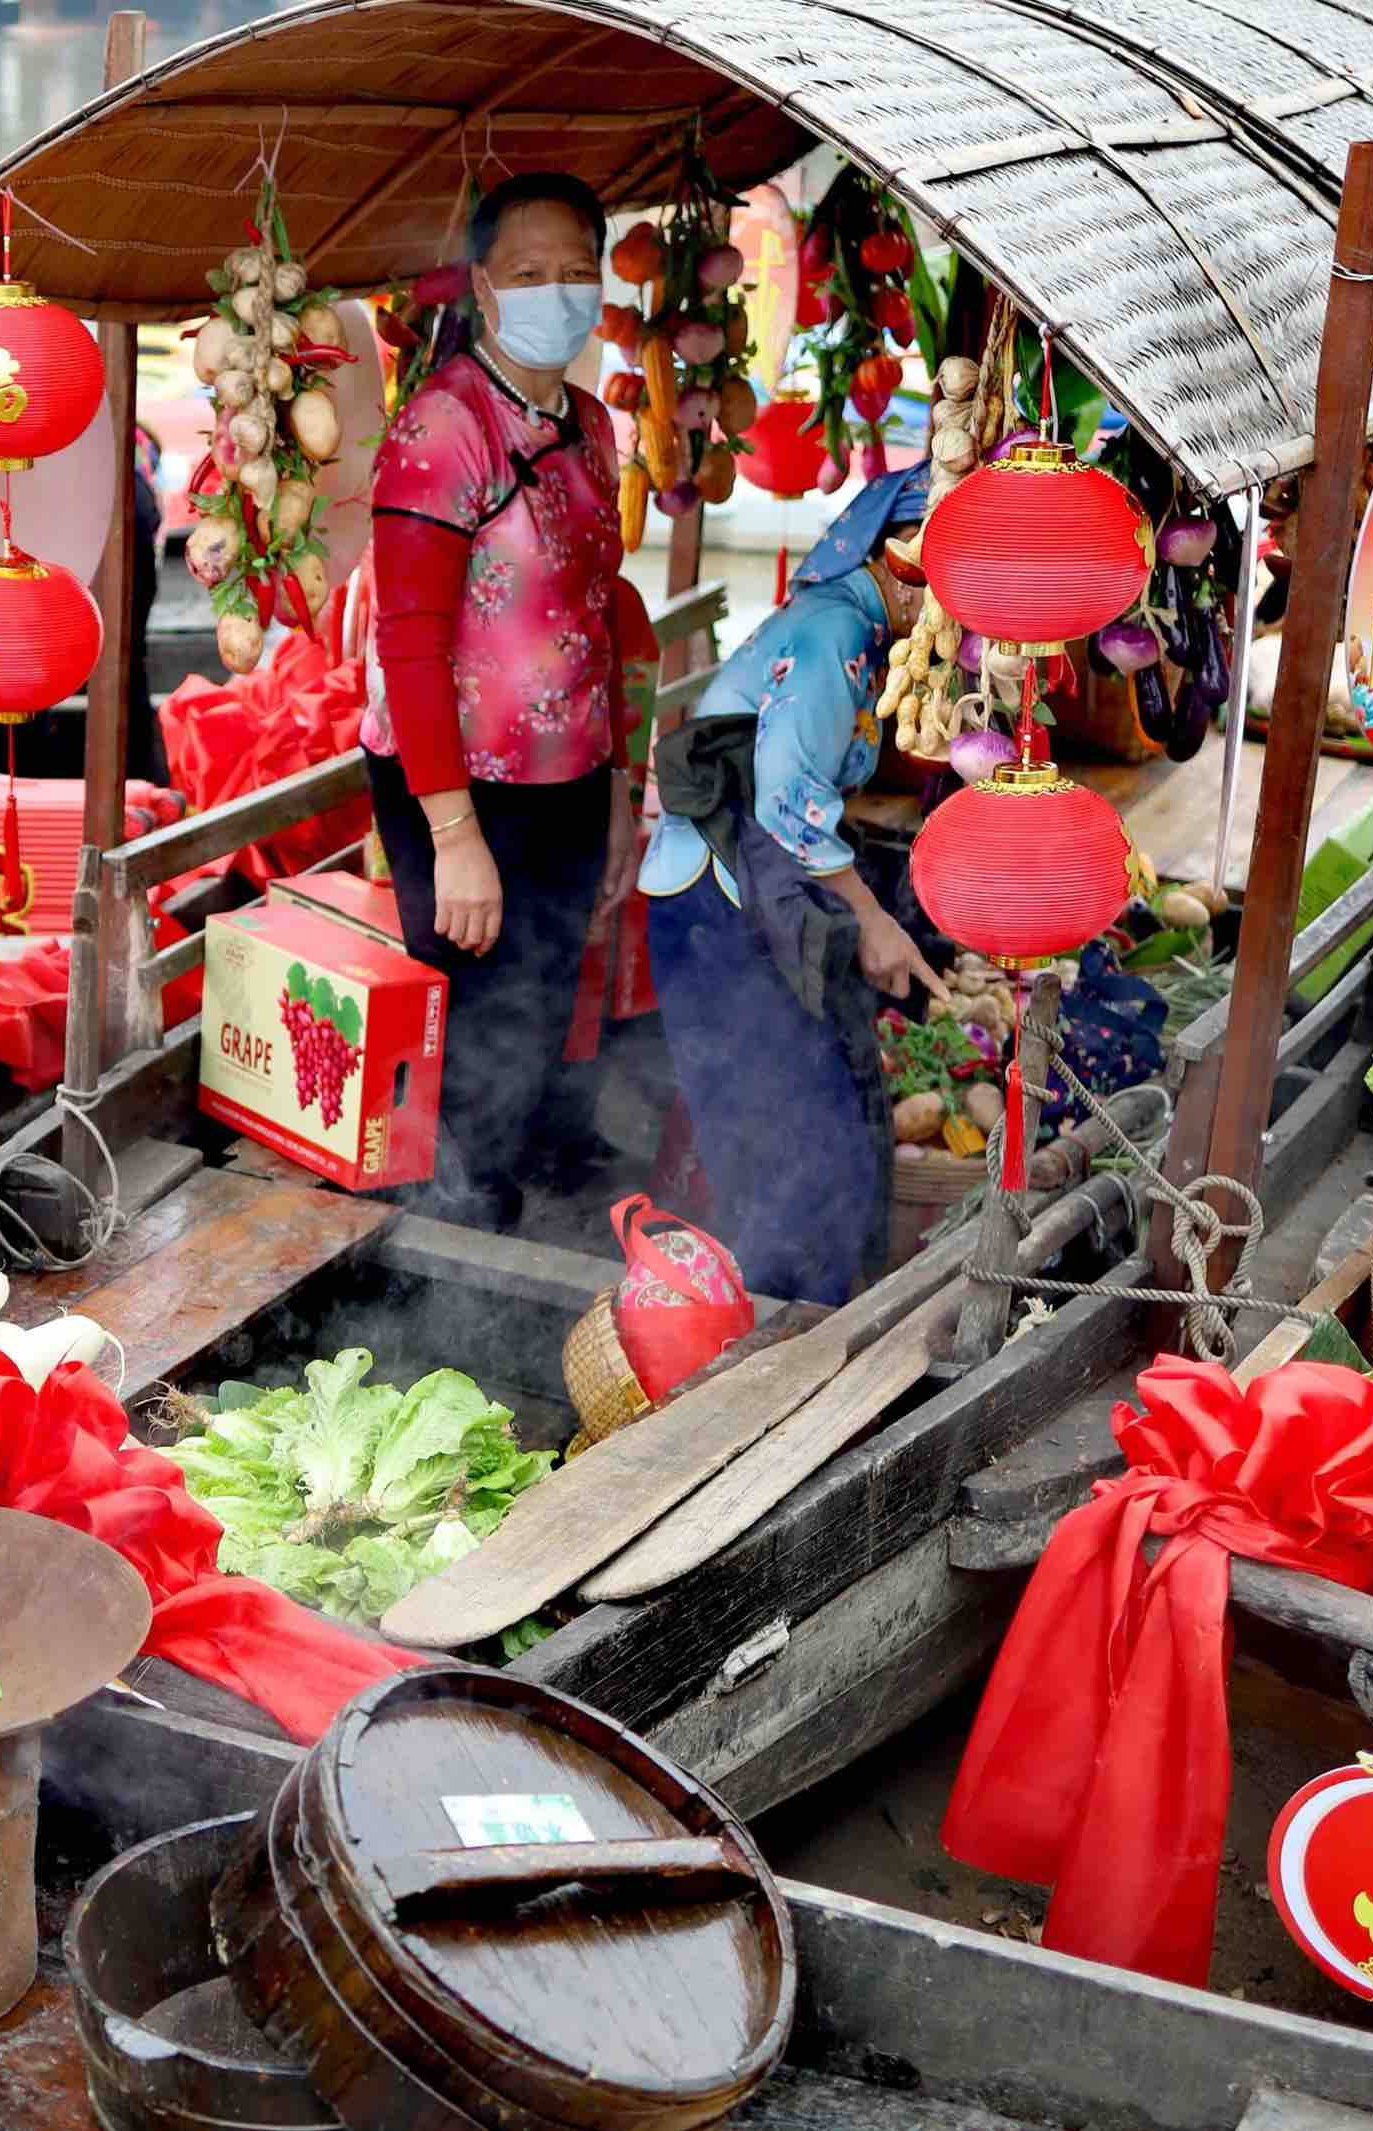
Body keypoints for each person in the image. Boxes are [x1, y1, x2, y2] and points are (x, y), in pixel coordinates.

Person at [364, 171, 661, 1229]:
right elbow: (406, 638)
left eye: (578, 270)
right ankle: (445, 1230)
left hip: (571, 773)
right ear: (483, 289)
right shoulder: (441, 426)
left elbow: (602, 612)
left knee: (536, 1002)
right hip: (454, 782)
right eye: (529, 273)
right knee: (476, 1009)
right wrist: (452, 835)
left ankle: (497, 1197)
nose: (559, 292)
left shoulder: (588, 420)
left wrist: (623, 786)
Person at [635, 466, 946, 1306]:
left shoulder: (861, 633)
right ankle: (771, 1336)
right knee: (788, 1142)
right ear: (903, 560)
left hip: (742, 897)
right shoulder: (830, 635)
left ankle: (792, 1314)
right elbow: (785, 800)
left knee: (805, 1131)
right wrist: (875, 918)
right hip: (716, 905)